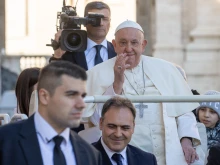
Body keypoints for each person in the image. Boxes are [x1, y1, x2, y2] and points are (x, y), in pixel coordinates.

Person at [83, 20, 205, 165]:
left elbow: (184, 111)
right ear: (114, 45)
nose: (128, 48)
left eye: (134, 42)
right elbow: (97, 121)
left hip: (168, 152)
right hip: (126, 155)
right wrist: (117, 82)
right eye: (123, 43)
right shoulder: (96, 73)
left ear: (143, 45)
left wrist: (186, 140)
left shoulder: (166, 69)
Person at [0, 61, 102, 165]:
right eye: (71, 95)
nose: (82, 104)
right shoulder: (6, 141)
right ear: (44, 96)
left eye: (83, 96)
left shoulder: (90, 154)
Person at [50, 1, 116, 70]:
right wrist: (57, 55)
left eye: (105, 19)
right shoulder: (69, 52)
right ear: (84, 21)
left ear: (110, 22)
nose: (101, 23)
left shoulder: (117, 52)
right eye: (95, 19)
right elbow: (52, 78)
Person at [92, 96, 157, 165]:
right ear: (101, 123)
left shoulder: (147, 160)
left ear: (133, 127)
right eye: (112, 126)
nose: (118, 134)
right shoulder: (83, 158)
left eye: (125, 128)